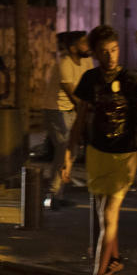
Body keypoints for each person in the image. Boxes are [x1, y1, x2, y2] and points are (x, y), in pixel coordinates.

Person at [62, 25, 137, 275]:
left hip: (124, 156)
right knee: (103, 215)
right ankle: (114, 260)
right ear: (94, 53)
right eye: (104, 52)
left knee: (108, 216)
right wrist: (68, 158)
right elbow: (79, 123)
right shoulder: (90, 79)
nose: (111, 56)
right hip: (97, 154)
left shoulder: (133, 80)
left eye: (115, 50)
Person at [43, 31, 92, 207]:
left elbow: (90, 85)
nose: (87, 46)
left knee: (71, 152)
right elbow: (72, 94)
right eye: (83, 43)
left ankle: (59, 195)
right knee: (65, 150)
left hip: (72, 110)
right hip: (56, 110)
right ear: (73, 48)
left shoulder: (87, 61)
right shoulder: (65, 63)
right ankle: (53, 195)